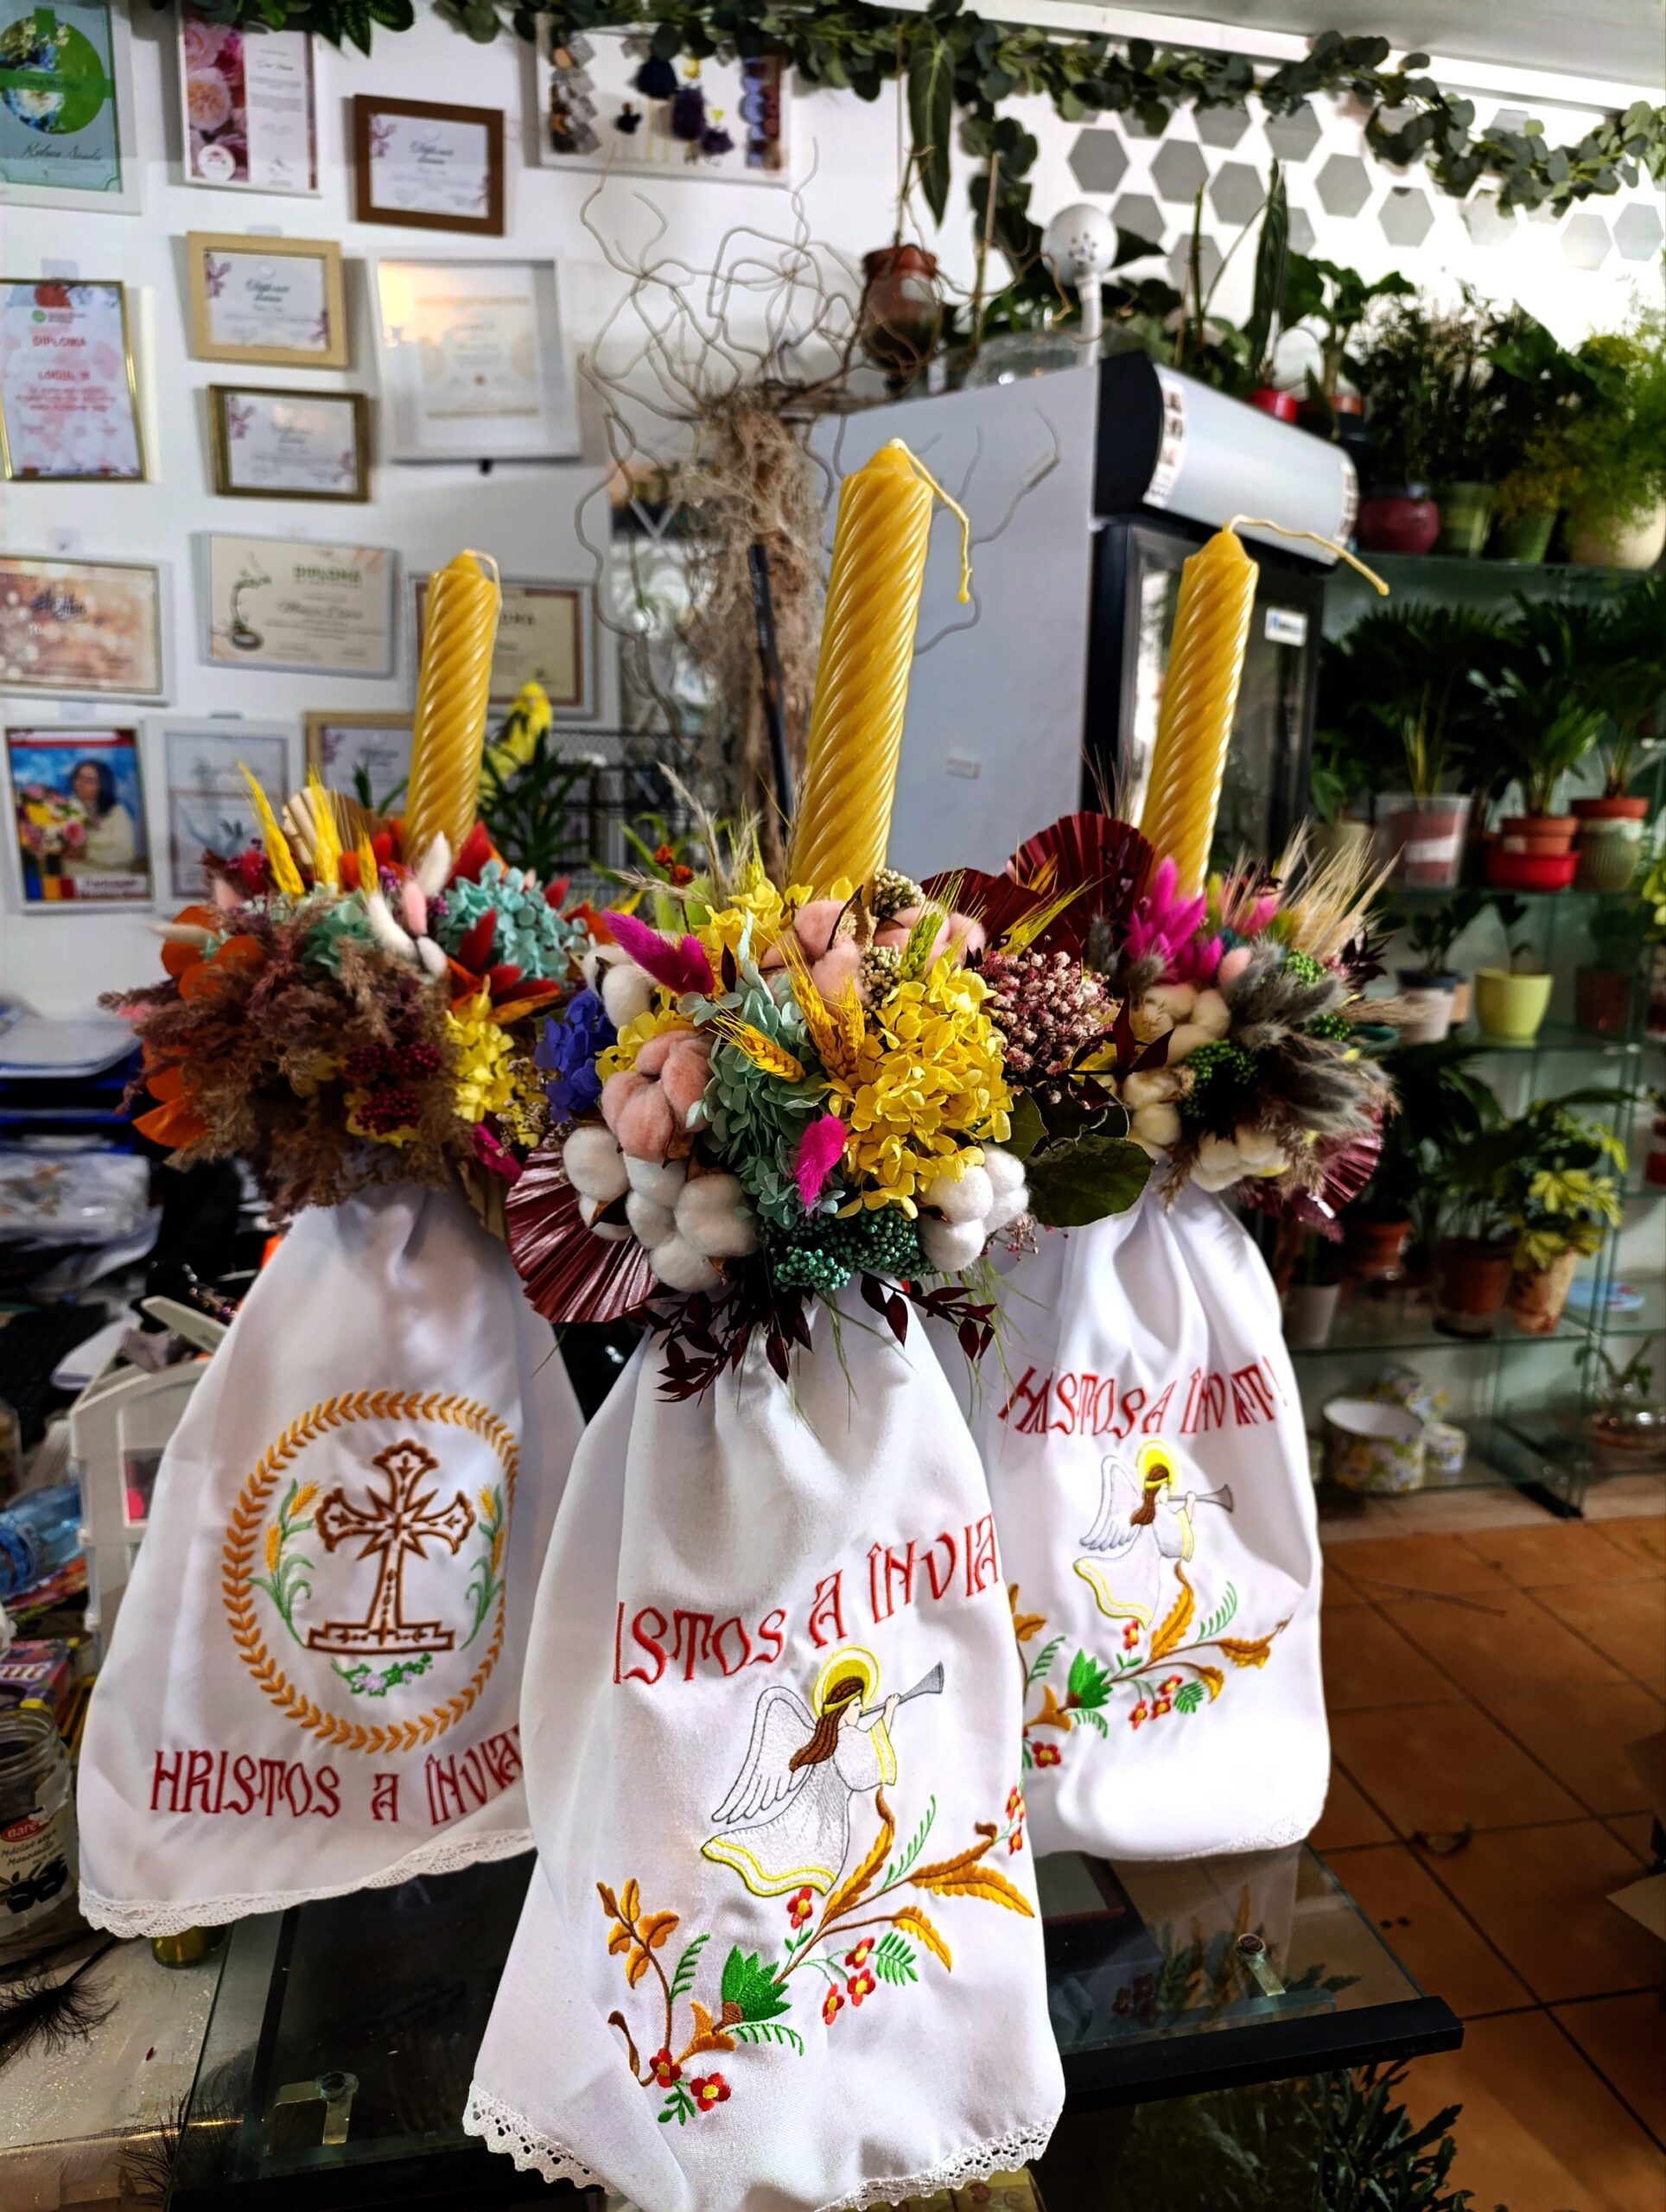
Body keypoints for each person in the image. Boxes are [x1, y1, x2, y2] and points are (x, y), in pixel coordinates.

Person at [62, 757, 137, 879]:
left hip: (109, 884)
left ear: (103, 785)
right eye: (79, 777)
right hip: (71, 883)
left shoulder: (117, 811)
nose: (81, 784)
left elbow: (125, 853)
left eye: (89, 780)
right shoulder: (64, 809)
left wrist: (85, 853)